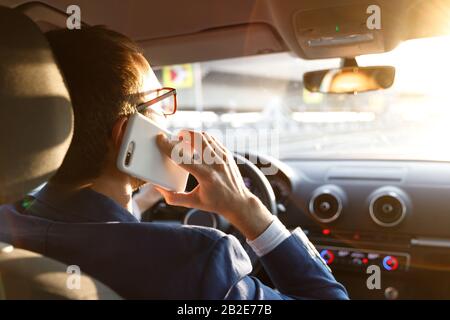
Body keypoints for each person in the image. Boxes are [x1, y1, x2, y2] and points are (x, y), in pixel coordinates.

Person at [0, 26, 348, 299]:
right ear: (127, 136)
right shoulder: (196, 263)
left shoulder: (7, 230)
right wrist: (247, 208)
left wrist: (136, 206)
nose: (169, 121)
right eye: (160, 105)